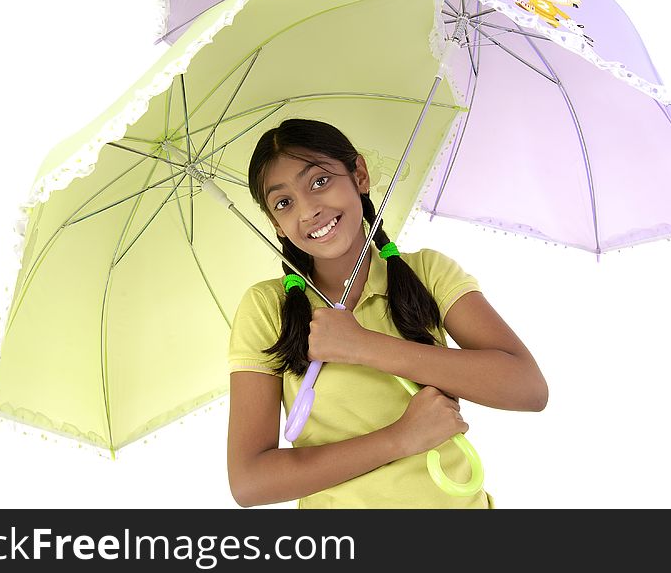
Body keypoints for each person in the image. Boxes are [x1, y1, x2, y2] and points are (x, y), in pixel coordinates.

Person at [227, 118, 548, 508]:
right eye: (283, 202)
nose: (309, 209)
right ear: (275, 225)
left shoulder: (427, 273)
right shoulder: (266, 308)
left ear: (359, 174)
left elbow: (527, 388)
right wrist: (400, 438)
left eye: (319, 182)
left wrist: (363, 346)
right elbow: (250, 482)